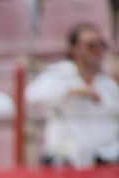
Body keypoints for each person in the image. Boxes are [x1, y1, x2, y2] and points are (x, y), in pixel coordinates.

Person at [25, 22, 119, 167]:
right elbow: (33, 96)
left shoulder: (110, 81)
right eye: (91, 46)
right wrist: (70, 91)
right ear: (74, 49)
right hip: (65, 161)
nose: (98, 51)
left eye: (101, 45)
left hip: (106, 160)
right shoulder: (59, 74)